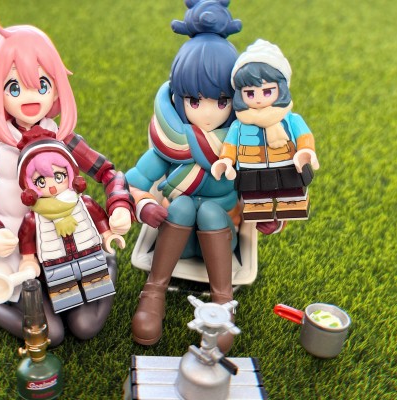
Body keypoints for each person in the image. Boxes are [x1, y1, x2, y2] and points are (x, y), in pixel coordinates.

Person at [0, 23, 134, 344]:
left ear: (56, 88)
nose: (30, 97)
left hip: (70, 248)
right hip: (19, 258)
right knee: (51, 334)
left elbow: (109, 173)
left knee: (85, 326)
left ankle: (106, 263)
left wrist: (119, 205)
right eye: (14, 87)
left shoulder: (64, 140)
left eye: (42, 84)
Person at [126, 0, 244, 353]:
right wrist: (144, 204)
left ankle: (222, 300)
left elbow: (263, 187)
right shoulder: (170, 143)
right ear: (179, 99)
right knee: (181, 207)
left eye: (220, 101)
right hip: (174, 241)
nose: (207, 113)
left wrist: (271, 214)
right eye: (195, 100)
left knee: (208, 210)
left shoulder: (241, 144)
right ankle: (154, 291)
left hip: (219, 241)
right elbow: (134, 182)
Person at [17, 131, 125, 317]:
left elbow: (99, 218)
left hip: (89, 252)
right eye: (41, 181)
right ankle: (70, 310)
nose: (51, 186)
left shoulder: (83, 203)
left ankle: (102, 285)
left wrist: (108, 235)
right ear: (29, 186)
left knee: (98, 289)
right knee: (68, 302)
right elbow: (26, 240)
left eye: (58, 176)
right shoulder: (34, 218)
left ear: (70, 173)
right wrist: (28, 260)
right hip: (56, 263)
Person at [212, 39, 319, 221]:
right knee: (256, 198)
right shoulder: (240, 124)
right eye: (250, 93)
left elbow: (304, 136)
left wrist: (306, 151)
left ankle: (291, 205)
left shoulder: (290, 119)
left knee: (291, 194)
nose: (259, 99)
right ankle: (259, 210)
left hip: (287, 164)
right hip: (252, 168)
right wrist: (226, 161)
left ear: (281, 89)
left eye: (267, 91)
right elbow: (230, 145)